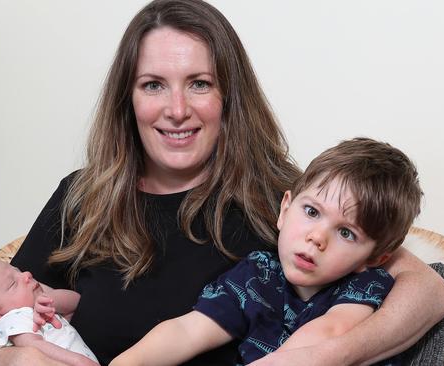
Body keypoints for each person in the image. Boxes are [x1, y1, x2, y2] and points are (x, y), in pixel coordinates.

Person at [0, 0, 444, 365]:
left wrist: (334, 353)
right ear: (128, 100)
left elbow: (429, 291)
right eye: (153, 84)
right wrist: (17, 358)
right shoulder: (83, 197)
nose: (177, 110)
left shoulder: (282, 200)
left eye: (199, 83)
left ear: (228, 96)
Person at [111, 137, 421, 365]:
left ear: (374, 258)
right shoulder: (259, 273)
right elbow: (187, 330)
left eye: (345, 233)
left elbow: (329, 332)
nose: (317, 237)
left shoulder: (366, 285)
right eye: (312, 212)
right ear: (285, 209)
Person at [0, 261, 99, 366]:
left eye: (18, 271)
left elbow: (76, 303)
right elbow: (34, 347)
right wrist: (79, 362)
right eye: (12, 283)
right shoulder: (12, 319)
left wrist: (49, 299)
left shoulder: (33, 310)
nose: (27, 274)